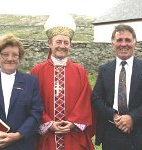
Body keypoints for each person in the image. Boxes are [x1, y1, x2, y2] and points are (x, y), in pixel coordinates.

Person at [30, 14, 95, 150]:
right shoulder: (37, 71)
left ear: (70, 44)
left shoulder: (79, 70)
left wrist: (73, 122)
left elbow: (86, 100)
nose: (62, 46)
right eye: (58, 42)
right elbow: (33, 102)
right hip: (47, 137)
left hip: (73, 136)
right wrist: (48, 123)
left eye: (66, 42)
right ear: (50, 43)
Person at [92, 24, 142, 150]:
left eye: (128, 40)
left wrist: (132, 117)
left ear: (135, 43)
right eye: (119, 40)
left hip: (140, 131)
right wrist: (113, 115)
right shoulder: (104, 69)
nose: (124, 44)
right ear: (113, 43)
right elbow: (96, 98)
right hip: (112, 132)